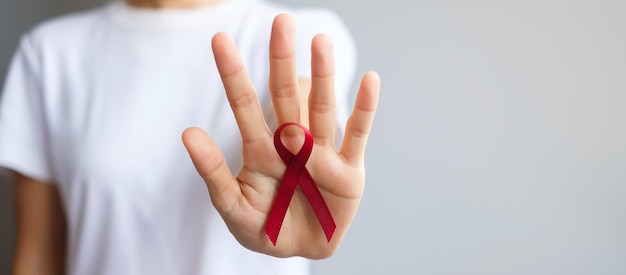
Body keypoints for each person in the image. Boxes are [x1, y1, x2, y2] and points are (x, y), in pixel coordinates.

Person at [0, 0, 380, 274]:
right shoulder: (48, 53)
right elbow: (37, 256)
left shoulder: (299, 32)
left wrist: (293, 153)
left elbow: (295, 106)